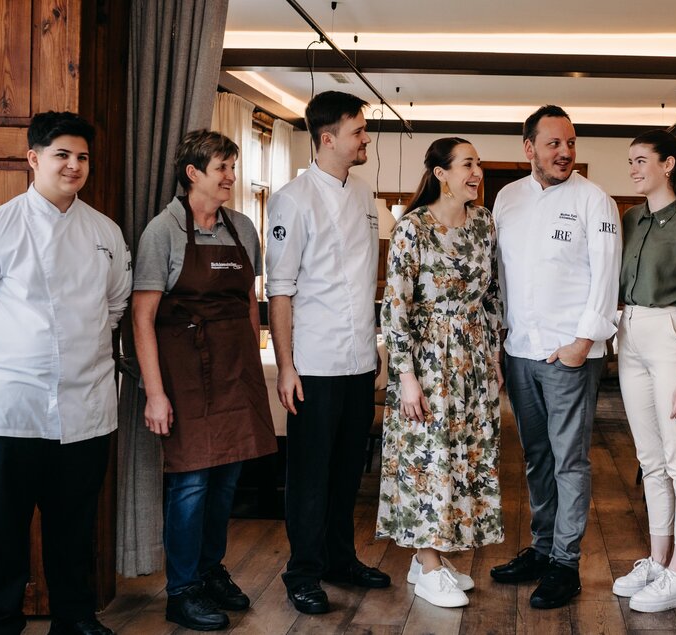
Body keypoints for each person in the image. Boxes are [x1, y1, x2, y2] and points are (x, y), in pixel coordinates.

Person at [0, 111, 131, 635]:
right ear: (34, 158)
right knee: (2, 532)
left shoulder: (105, 232)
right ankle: (1, 622)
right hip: (7, 415)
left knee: (75, 528)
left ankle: (75, 618)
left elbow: (114, 310)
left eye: (82, 157)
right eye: (62, 154)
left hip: (85, 411)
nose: (73, 166)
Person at [132, 129, 278, 631]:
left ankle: (211, 570)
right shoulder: (163, 232)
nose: (231, 178)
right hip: (185, 377)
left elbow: (247, 304)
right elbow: (142, 318)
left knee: (226, 482)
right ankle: (183, 589)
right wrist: (155, 393)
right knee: (191, 482)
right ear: (192, 173)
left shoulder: (242, 228)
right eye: (223, 168)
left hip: (237, 373)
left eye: (233, 168)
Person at [489, 105, 621, 609]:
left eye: (570, 143)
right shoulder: (506, 199)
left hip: (570, 354)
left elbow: (606, 280)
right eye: (553, 144)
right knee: (536, 458)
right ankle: (543, 549)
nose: (565, 153)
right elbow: (499, 278)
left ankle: (565, 563)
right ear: (529, 148)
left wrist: (581, 344)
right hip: (520, 351)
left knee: (569, 460)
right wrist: (500, 341)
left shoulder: (596, 201)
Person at [266, 90, 390, 615]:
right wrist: (286, 366)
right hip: (313, 364)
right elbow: (281, 289)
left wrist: (375, 349)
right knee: (310, 475)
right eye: (359, 131)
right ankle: (304, 571)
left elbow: (367, 280)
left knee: (346, 472)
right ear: (328, 138)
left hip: (360, 360)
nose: (366, 139)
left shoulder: (364, 195)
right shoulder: (292, 200)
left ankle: (342, 558)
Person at [375, 138, 505, 608]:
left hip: (472, 357)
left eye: (478, 164)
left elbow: (490, 296)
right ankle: (428, 562)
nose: (477, 172)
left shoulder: (485, 223)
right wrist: (405, 376)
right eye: (467, 164)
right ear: (441, 173)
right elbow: (396, 307)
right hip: (427, 359)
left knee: (463, 455)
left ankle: (429, 557)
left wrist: (493, 356)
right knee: (428, 458)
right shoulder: (412, 228)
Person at [612, 130, 676, 613]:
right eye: (629, 161)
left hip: (673, 336)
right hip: (629, 334)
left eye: (640, 160)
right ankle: (657, 560)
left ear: (668, 164)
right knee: (650, 459)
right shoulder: (631, 218)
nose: (632, 168)